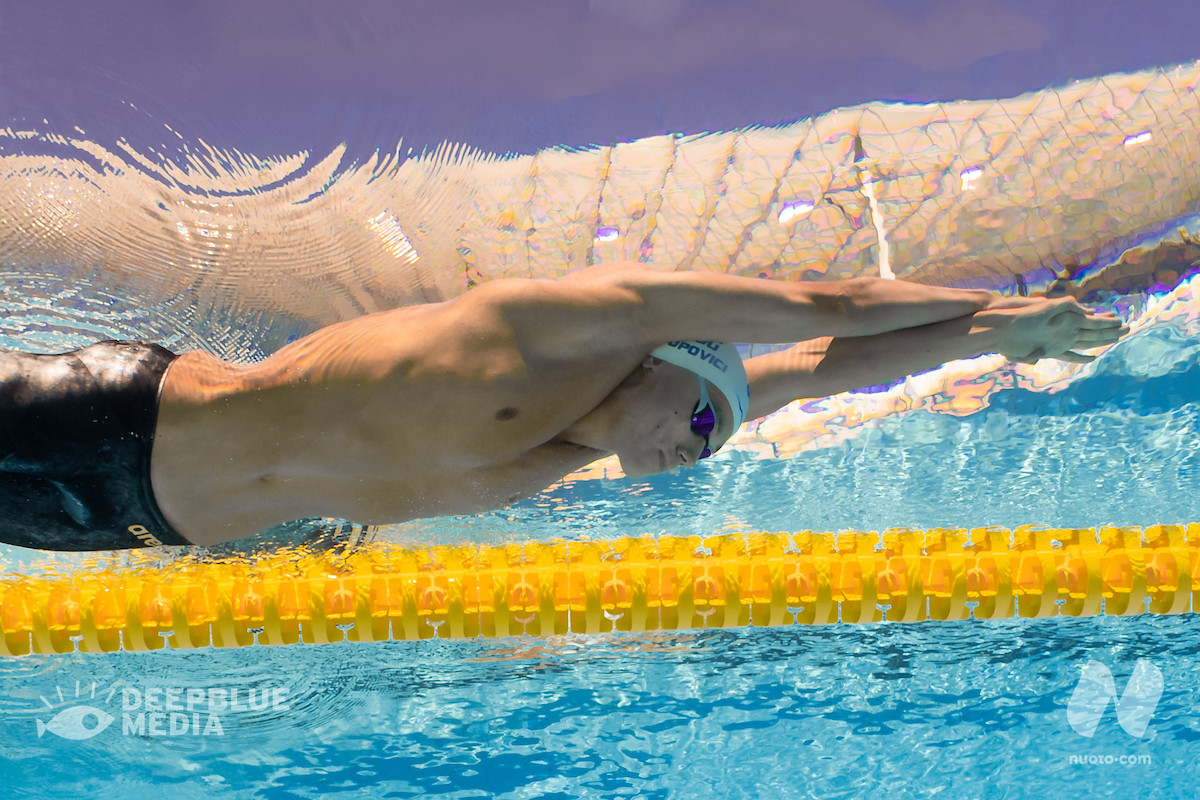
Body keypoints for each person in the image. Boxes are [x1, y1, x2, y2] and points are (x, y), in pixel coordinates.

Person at [0, 263, 1127, 551]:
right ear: (669, 361)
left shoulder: (622, 427)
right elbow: (825, 308)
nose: (699, 454)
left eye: (714, 438)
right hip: (118, 421)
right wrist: (998, 294)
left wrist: (1001, 339)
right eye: (701, 424)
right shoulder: (558, 327)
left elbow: (838, 366)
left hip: (132, 524)